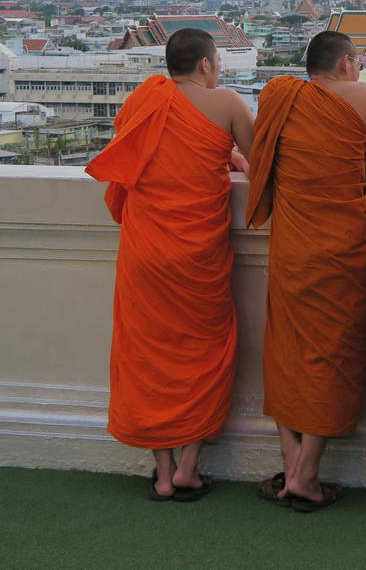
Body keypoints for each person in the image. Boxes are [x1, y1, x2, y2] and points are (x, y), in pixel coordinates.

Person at [86, 27, 253, 501]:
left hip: (146, 247)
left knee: (147, 355)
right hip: (197, 252)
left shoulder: (145, 101)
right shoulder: (228, 105)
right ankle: (190, 468)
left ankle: (162, 472)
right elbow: (266, 171)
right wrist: (233, 160)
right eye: (217, 60)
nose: (218, 68)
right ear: (205, 64)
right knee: (202, 351)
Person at [246, 31, 366, 513]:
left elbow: (264, 165)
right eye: (359, 61)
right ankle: (305, 474)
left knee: (286, 347)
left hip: (293, 241)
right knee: (333, 350)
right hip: (342, 242)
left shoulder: (279, 96)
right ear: (347, 64)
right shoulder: (364, 95)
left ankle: (292, 461)